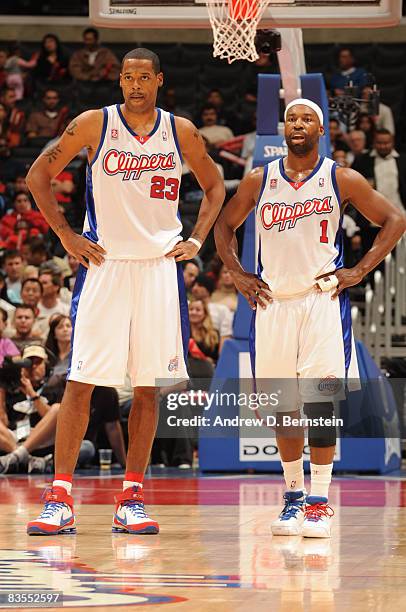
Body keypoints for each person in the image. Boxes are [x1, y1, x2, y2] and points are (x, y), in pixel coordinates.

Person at [25, 47, 224, 536]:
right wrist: (69, 236)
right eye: (127, 77)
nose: (135, 85)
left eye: (144, 77)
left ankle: (132, 496)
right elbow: (38, 176)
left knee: (147, 386)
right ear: (119, 82)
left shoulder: (181, 131)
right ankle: (60, 498)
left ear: (159, 80)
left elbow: (216, 187)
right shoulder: (94, 124)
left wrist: (196, 239)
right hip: (106, 266)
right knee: (81, 382)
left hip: (159, 269)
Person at [214, 98, 406, 538]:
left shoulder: (341, 178)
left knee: (319, 405)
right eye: (292, 119)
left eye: (307, 119)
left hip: (321, 302)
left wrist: (358, 270)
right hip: (272, 303)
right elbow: (224, 226)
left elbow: (394, 219)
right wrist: (238, 274)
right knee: (285, 408)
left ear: (322, 131)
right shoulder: (260, 180)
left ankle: (320, 502)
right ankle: (293, 498)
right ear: (284, 129)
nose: (298, 124)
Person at [352, 129, 406, 211]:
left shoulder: (403, 160)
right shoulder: (362, 160)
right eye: (379, 143)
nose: (383, 146)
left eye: (386, 143)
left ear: (393, 142)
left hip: (400, 211)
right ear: (374, 143)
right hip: (371, 214)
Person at [188, 298, 219, 364]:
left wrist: (210, 360)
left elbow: (218, 359)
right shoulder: (181, 332)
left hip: (206, 370)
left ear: (205, 313)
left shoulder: (213, 334)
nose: (194, 312)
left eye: (198, 310)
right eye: (191, 309)